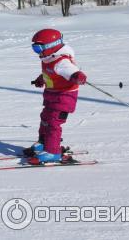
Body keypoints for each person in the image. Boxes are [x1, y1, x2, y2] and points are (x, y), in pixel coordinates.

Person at [25, 29, 87, 164]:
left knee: (53, 122)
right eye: (34, 48)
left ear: (51, 46)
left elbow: (70, 71)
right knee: (45, 118)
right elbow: (50, 72)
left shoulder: (61, 61)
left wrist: (77, 76)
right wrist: (41, 79)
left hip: (64, 97)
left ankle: (53, 152)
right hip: (51, 95)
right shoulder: (48, 58)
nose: (37, 52)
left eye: (38, 48)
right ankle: (43, 143)